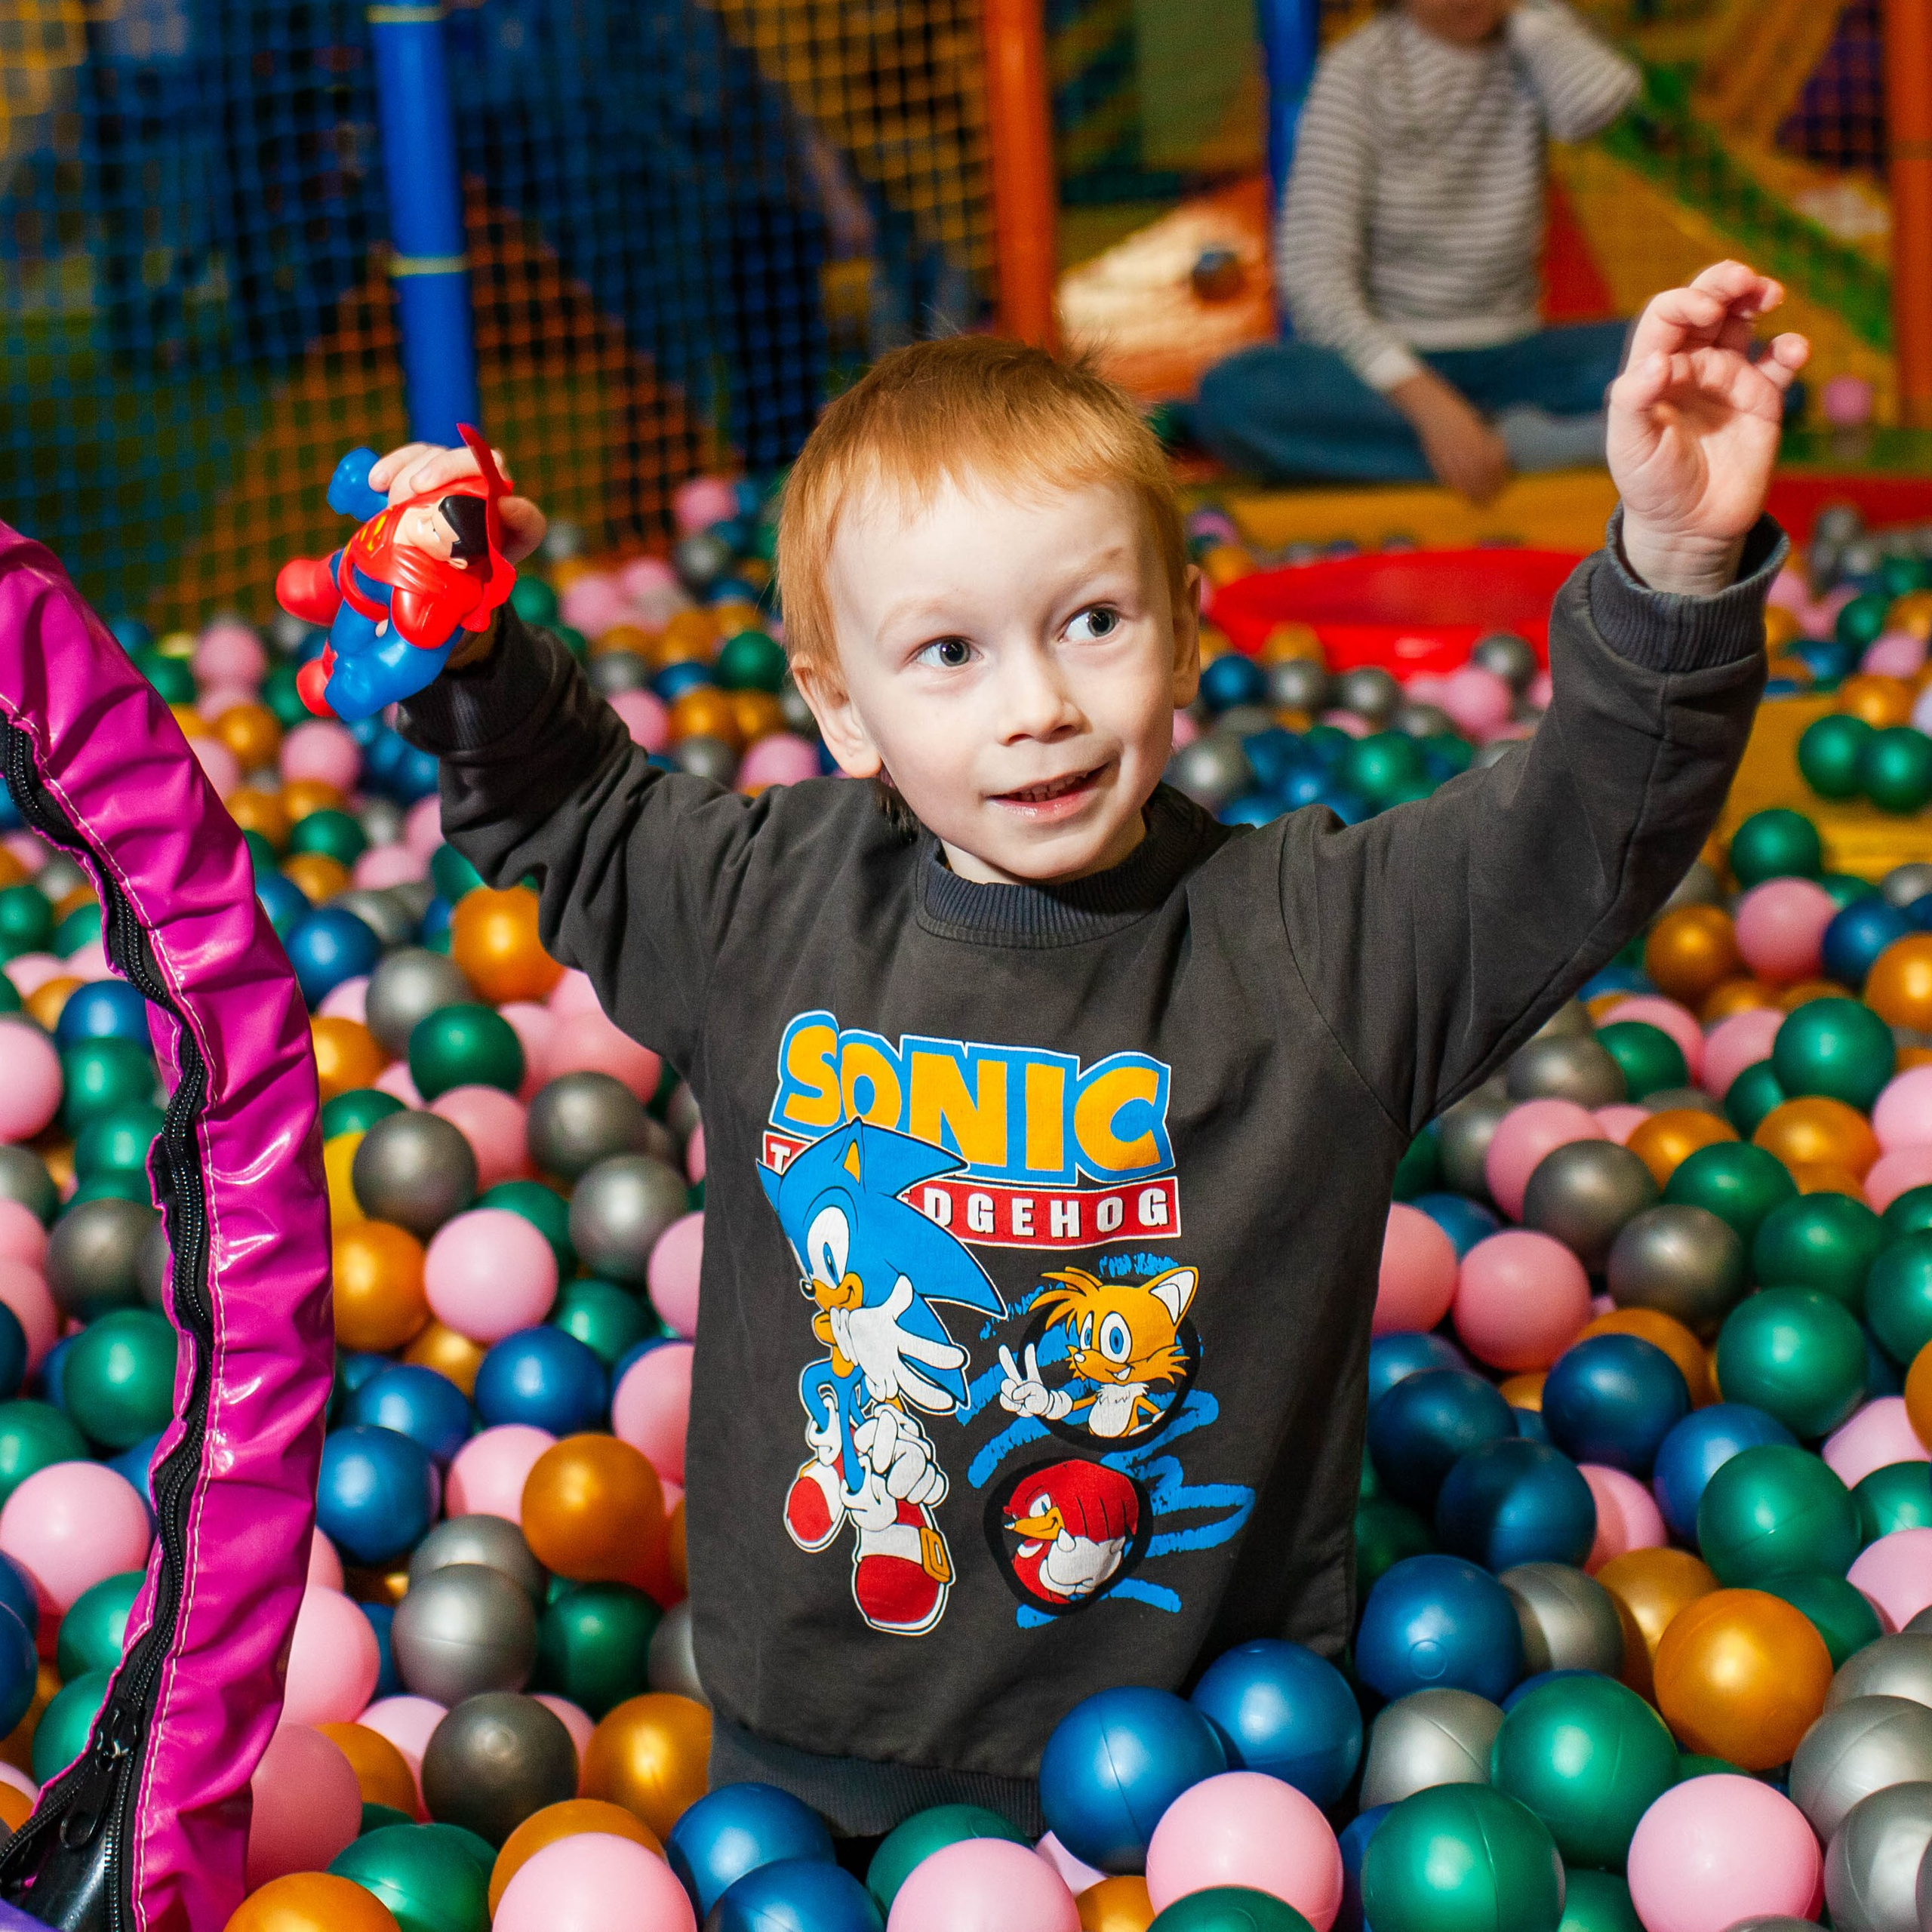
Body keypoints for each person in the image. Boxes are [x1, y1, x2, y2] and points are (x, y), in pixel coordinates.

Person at [384, 260, 1804, 1846]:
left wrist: (1673, 563)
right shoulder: (760, 910)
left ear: (1187, 634)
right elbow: (570, 807)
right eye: (948, 654)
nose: (1039, 705)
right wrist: (468, 642)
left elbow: (1568, 840)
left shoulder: (1303, 944)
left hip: (1196, 1777)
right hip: (808, 1762)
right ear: (836, 707)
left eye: (1093, 621)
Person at [1193, 0, 1641, 499]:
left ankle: (1489, 439)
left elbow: (1601, 103)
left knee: (1703, 354)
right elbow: (1312, 274)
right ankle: (1526, 447)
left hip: (1516, 356)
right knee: (1234, 395)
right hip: (1393, 365)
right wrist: (1431, 408)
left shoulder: (1531, 45)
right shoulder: (1359, 74)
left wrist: (1531, 17)